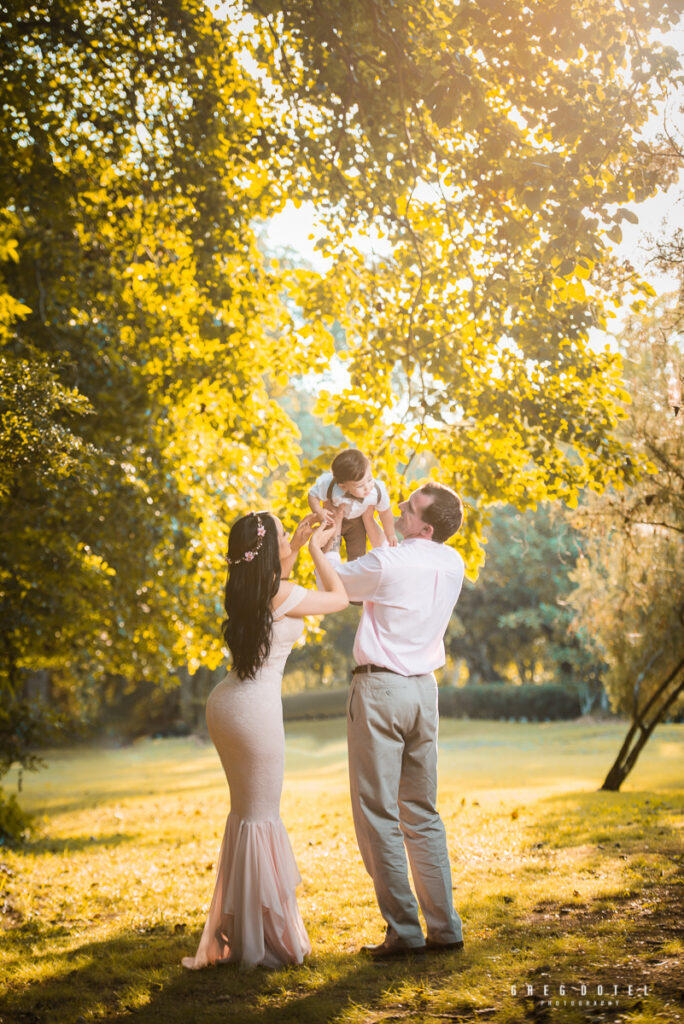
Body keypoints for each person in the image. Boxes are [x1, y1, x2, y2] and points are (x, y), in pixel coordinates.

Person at [182, 511, 347, 971]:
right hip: (254, 712)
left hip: (227, 704)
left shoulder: (250, 587)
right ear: (268, 548)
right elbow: (339, 598)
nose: (289, 538)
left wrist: (291, 546)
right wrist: (316, 548)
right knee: (259, 818)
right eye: (281, 534)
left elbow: (278, 581)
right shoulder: (282, 592)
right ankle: (261, 940)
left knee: (245, 817)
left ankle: (244, 927)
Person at [322, 482, 466, 959]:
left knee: (378, 814)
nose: (399, 507)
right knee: (422, 813)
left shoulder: (388, 564)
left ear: (425, 526)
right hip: (424, 693)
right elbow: (389, 562)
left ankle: (403, 932)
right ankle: (445, 929)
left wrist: (328, 534)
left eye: (409, 508)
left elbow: (338, 584)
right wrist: (374, 521)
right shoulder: (452, 563)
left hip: (381, 690)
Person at [308, 448, 396, 560]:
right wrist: (318, 512)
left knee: (358, 553)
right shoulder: (329, 485)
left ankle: (355, 572)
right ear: (343, 486)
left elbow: (385, 512)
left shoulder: (377, 492)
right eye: (360, 486)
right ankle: (328, 569)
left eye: (369, 479)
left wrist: (390, 534)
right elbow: (312, 495)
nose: (367, 487)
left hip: (357, 522)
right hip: (333, 518)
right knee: (326, 553)